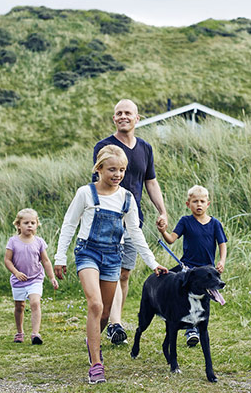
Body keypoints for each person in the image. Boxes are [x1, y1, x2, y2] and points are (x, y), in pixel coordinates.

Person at [53, 144, 169, 384]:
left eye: (122, 170)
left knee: (105, 312)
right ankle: (96, 364)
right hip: (88, 253)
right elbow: (69, 225)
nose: (117, 175)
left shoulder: (126, 198)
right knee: (95, 304)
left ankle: (92, 339)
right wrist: (60, 257)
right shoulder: (85, 193)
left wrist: (153, 263)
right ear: (99, 169)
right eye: (112, 169)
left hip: (113, 256)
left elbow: (135, 233)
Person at [92, 99, 168, 346]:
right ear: (114, 118)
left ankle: (115, 323)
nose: (123, 116)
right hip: (108, 221)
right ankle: (113, 324)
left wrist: (162, 211)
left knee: (124, 274)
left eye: (128, 113)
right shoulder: (104, 146)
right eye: (118, 113)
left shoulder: (145, 148)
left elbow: (151, 182)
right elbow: (97, 182)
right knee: (111, 274)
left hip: (134, 221)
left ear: (137, 118)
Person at [157, 185, 227, 347]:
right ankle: (190, 329)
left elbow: (222, 243)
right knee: (186, 300)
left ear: (208, 204)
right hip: (189, 270)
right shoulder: (185, 221)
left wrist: (222, 261)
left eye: (202, 201)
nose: (199, 204)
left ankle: (199, 327)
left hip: (208, 272)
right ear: (188, 204)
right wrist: (163, 231)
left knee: (204, 301)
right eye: (195, 201)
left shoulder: (215, 224)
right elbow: (171, 239)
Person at [4, 208, 59, 345]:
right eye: (26, 223)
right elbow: (7, 260)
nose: (30, 225)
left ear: (37, 225)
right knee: (19, 306)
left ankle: (35, 334)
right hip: (18, 280)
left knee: (35, 302)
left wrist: (51, 277)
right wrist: (16, 272)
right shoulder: (13, 241)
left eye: (33, 223)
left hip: (35, 279)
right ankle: (19, 332)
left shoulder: (39, 242)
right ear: (18, 225)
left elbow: (45, 261)